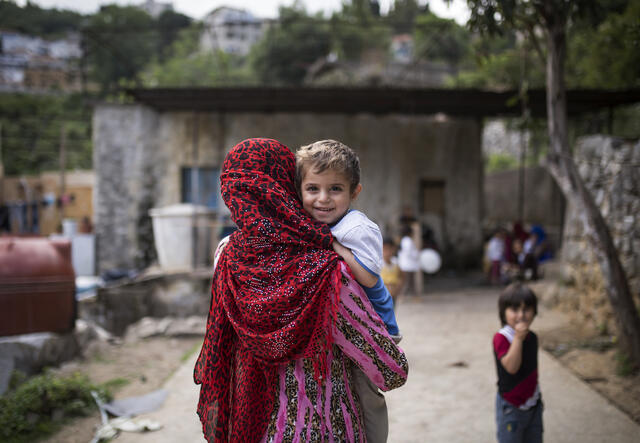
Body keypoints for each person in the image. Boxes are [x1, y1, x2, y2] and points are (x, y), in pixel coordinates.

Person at [194, 138, 408, 442]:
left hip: (251, 424)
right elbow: (388, 368)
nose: (322, 197)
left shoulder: (225, 254)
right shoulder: (325, 265)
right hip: (326, 427)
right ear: (288, 188)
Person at [295, 139, 400, 443]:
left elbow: (368, 277)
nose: (323, 199)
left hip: (375, 328)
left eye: (335, 189)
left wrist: (337, 248)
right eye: (313, 189)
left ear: (355, 192)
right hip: (347, 326)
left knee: (367, 394)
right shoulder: (310, 224)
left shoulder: (355, 228)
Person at [493, 283, 543, 443]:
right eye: (515, 310)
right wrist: (518, 339)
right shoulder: (501, 337)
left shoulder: (532, 337)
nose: (521, 315)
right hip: (511, 407)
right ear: (504, 312)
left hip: (533, 404)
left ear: (534, 311)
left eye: (526, 309)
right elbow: (511, 367)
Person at [381, 238, 403, 306]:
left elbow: (401, 276)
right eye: (385, 249)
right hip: (382, 296)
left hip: (393, 295)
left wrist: (398, 288)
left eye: (389, 249)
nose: (387, 252)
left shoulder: (396, 263)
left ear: (393, 249)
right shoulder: (379, 264)